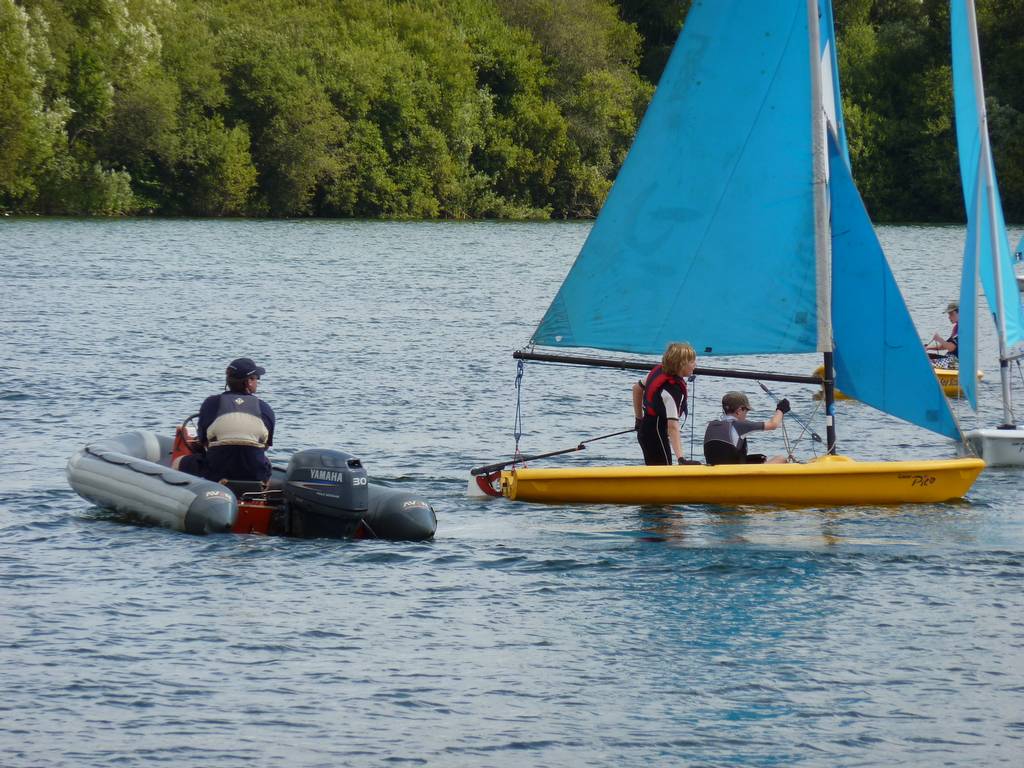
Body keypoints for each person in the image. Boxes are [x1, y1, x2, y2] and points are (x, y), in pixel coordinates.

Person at [179, 357, 276, 483]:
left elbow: (204, 442)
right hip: (254, 474)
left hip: (215, 473)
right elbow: (265, 446)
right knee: (266, 461)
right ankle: (260, 496)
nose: (257, 381)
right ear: (249, 382)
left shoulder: (210, 404)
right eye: (257, 378)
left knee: (179, 461)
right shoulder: (265, 409)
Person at [632, 342, 702, 465]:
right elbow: (673, 426)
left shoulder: (659, 370)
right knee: (663, 470)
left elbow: (637, 388)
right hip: (655, 434)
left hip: (646, 429)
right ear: (682, 364)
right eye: (692, 362)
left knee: (655, 472)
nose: (695, 365)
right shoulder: (673, 389)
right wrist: (681, 459)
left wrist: (638, 419)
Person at [703, 391, 790, 465]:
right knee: (781, 459)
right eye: (746, 410)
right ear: (739, 410)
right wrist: (781, 409)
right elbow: (773, 424)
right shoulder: (740, 425)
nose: (746, 414)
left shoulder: (711, 425)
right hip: (735, 476)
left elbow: (722, 455)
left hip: (716, 473)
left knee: (761, 458)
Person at [927, 301, 959, 369]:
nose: (949, 317)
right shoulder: (956, 328)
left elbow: (951, 347)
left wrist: (939, 339)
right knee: (924, 357)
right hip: (949, 359)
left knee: (926, 364)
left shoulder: (963, 329)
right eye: (948, 314)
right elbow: (944, 346)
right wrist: (927, 348)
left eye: (951, 314)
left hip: (955, 362)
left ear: (959, 313)